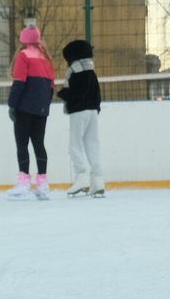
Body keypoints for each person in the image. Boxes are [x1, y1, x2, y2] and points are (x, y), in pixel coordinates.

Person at [6, 26, 55, 201]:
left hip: (24, 108)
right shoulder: (46, 59)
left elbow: (19, 82)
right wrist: (43, 106)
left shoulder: (23, 56)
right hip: (41, 110)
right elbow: (51, 88)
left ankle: (24, 184)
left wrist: (12, 105)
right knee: (39, 144)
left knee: (22, 144)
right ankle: (43, 184)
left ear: (23, 40)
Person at [56, 39, 104, 198]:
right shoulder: (91, 70)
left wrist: (62, 93)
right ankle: (97, 181)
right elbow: (96, 93)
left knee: (74, 145)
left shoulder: (75, 70)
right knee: (92, 145)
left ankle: (81, 176)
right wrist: (96, 107)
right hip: (92, 112)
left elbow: (77, 93)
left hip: (79, 111)